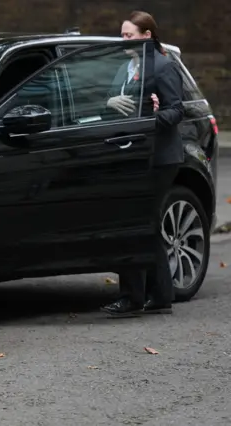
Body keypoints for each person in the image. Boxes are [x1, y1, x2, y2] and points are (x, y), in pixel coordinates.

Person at [102, 11, 185, 317]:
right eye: (122, 35)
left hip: (159, 159)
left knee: (136, 222)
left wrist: (152, 117)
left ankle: (133, 296)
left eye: (129, 35)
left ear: (146, 36)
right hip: (131, 155)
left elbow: (177, 111)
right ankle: (160, 294)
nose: (124, 40)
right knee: (144, 225)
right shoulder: (126, 67)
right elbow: (111, 99)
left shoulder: (162, 66)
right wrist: (111, 102)